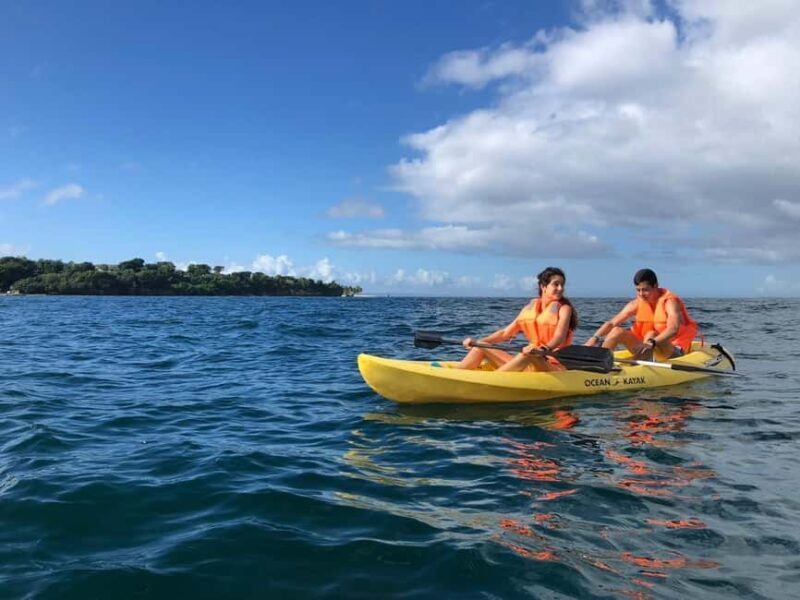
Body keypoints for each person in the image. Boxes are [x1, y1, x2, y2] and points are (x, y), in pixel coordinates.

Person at [456, 267, 577, 372]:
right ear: (543, 286)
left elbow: (559, 337)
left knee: (528, 354)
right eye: (556, 284)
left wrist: (544, 348)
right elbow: (505, 333)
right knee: (481, 345)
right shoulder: (529, 308)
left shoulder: (564, 309)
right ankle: (456, 376)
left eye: (562, 285)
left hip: (552, 365)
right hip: (530, 360)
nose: (560, 288)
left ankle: (493, 381)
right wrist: (475, 342)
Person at [585, 268, 698, 360]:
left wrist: (651, 342)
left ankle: (634, 367)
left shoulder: (670, 302)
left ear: (656, 286)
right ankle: (599, 363)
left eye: (645, 290)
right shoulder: (637, 303)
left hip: (673, 350)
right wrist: (594, 338)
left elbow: (673, 329)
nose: (641, 294)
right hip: (646, 347)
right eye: (638, 290)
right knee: (616, 331)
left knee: (651, 334)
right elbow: (612, 323)